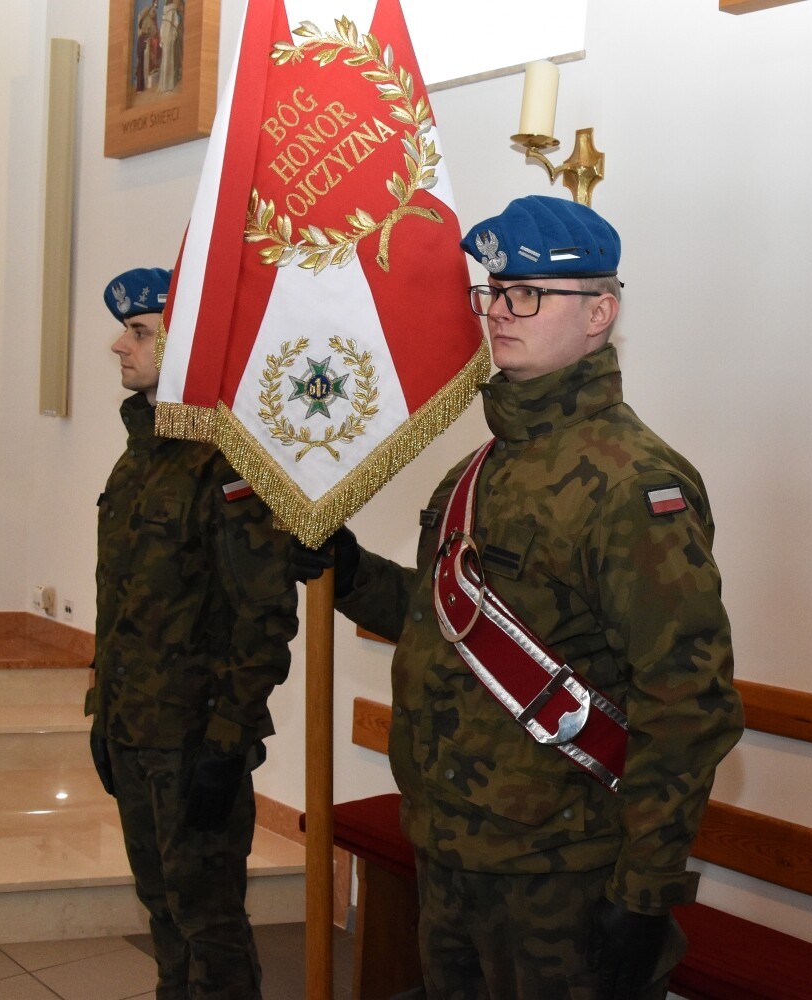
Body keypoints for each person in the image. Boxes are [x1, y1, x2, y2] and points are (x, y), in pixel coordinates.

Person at [295, 195, 744, 999]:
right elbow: (441, 623)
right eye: (496, 291)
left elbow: (687, 701)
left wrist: (646, 889)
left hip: (561, 874)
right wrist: (349, 571)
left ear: (599, 313)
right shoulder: (476, 471)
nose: (501, 310)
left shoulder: (635, 483)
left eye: (529, 293)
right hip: (451, 850)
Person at [86, 267, 298, 1000]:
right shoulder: (138, 459)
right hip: (133, 726)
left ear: (185, 343)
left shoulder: (227, 462)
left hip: (193, 738)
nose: (119, 345)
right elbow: (119, 603)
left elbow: (263, 613)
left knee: (208, 920)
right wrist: (102, 714)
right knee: (160, 907)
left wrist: (228, 740)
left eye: (139, 332)